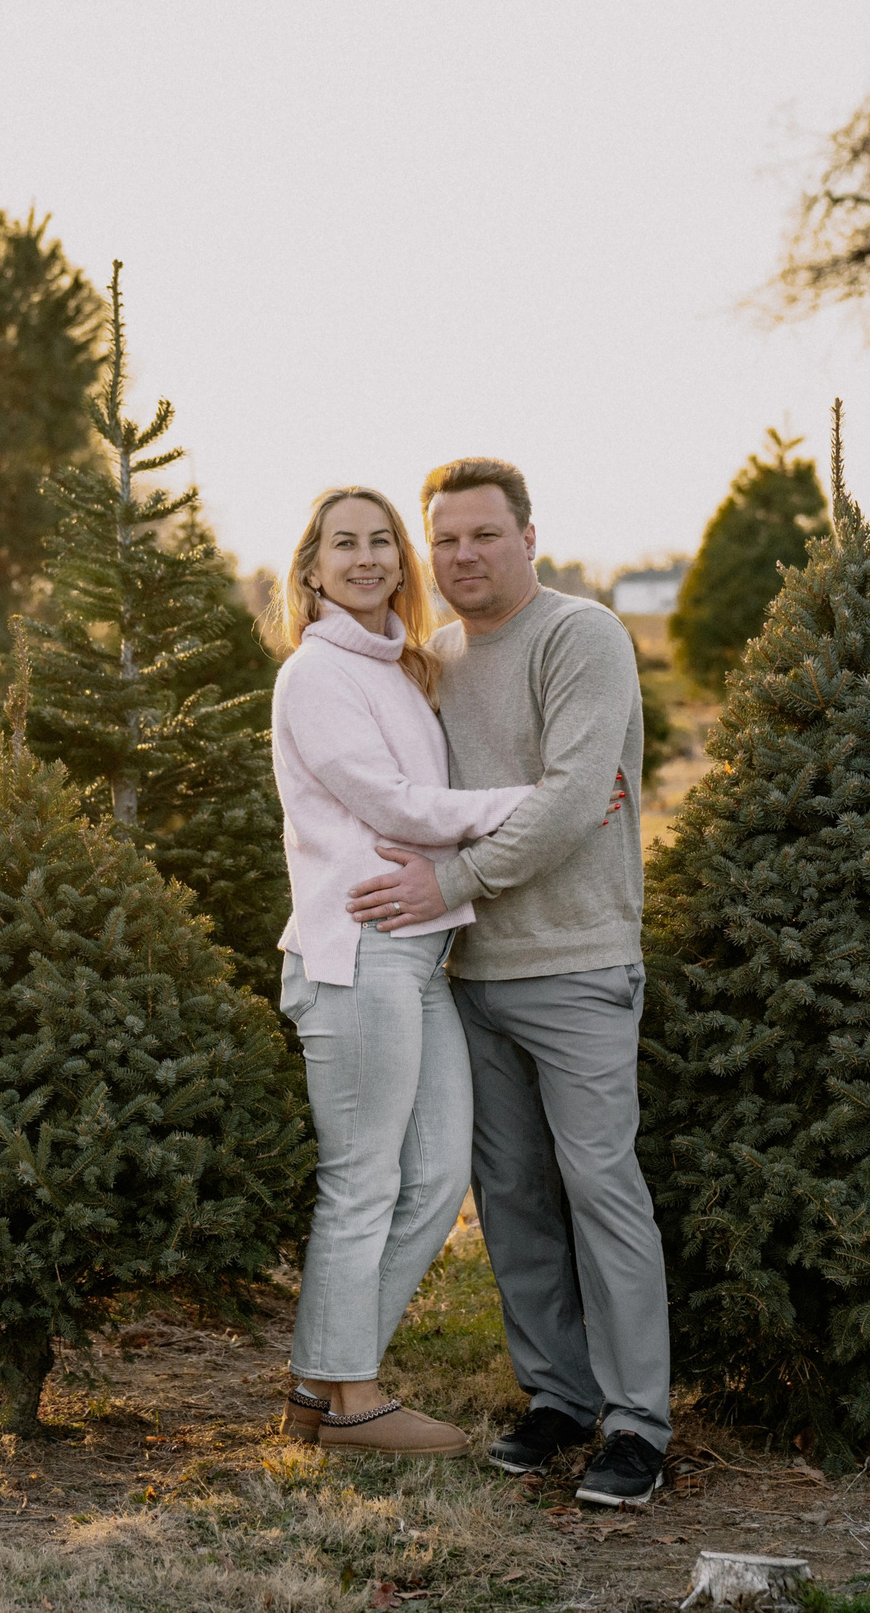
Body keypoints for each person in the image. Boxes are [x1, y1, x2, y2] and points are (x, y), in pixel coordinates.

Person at [347, 457, 670, 1508]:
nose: (461, 556)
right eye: (443, 539)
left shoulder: (580, 637)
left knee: (601, 1189)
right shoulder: (432, 659)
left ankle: (636, 1425)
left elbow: (579, 796)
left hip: (576, 963)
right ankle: (558, 1398)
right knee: (515, 1200)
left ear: (529, 537)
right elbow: (403, 792)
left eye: (483, 535)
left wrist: (457, 875)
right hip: (471, 972)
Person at [268, 486, 539, 1455]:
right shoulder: (314, 675)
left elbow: (422, 796)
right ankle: (352, 1401)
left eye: (382, 540)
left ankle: (320, 1384)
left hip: (417, 955)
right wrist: (536, 804)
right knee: (363, 1181)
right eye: (346, 543)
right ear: (311, 568)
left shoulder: (397, 667)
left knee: (435, 1173)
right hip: (357, 954)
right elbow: (394, 805)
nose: (368, 556)